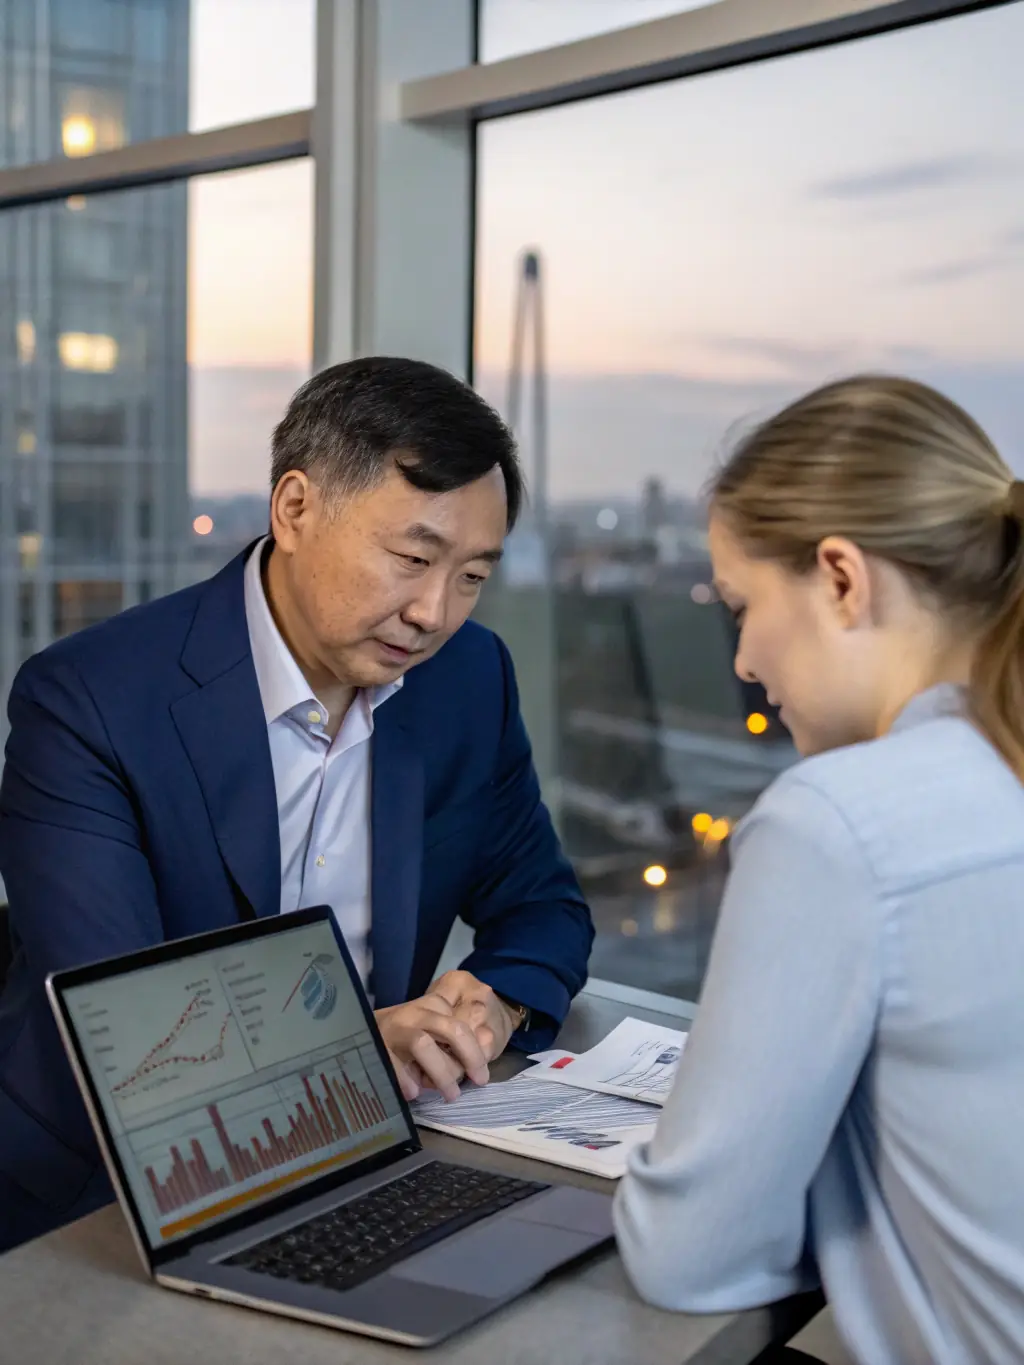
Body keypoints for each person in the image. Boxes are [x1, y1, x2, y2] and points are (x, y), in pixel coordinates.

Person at [0, 356, 593, 1252]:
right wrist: (353, 1049)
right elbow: (121, 1025)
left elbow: (545, 906)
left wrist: (492, 1005)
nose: (435, 613)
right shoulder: (89, 702)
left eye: (473, 576)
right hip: (96, 1199)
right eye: (412, 558)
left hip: (363, 1165)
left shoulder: (467, 682)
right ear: (295, 509)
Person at [614, 375, 1024, 1365]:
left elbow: (687, 1255)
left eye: (742, 606)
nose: (745, 660)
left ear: (841, 577)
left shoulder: (837, 827)